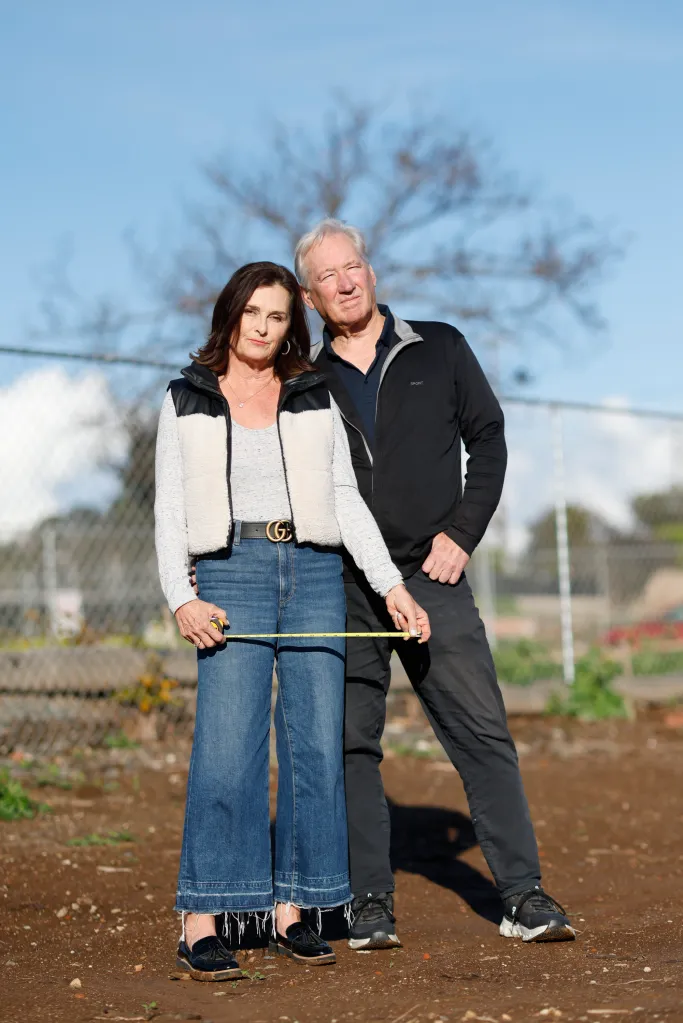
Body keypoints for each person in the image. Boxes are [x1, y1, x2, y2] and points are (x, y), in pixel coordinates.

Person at [294, 219, 575, 948]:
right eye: (327, 275)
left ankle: (521, 894)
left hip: (432, 575)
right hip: (345, 583)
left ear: (371, 271)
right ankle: (368, 904)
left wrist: (461, 533)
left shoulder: (440, 346)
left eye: (352, 266)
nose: (345, 281)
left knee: (481, 733)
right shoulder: (304, 381)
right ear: (309, 295)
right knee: (353, 742)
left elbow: (488, 436)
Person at [154, 260, 430, 980]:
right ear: (230, 314)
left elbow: (343, 494)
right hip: (228, 570)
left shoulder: (311, 394)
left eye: (277, 317)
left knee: (313, 747)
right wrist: (179, 594)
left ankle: (292, 912)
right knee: (227, 749)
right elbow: (169, 508)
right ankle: (203, 917)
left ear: (290, 326)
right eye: (252, 312)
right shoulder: (186, 396)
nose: (263, 327)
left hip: (311, 571)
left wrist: (390, 585)